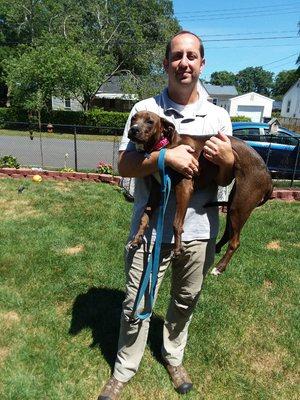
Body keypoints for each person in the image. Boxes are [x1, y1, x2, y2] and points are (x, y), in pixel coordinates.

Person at [98, 31, 234, 400]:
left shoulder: (219, 116)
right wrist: (163, 157)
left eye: (192, 56)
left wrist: (227, 163)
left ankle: (173, 357)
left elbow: (221, 182)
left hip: (200, 230)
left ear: (202, 63)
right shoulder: (145, 109)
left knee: (185, 301)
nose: (184, 62)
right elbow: (125, 165)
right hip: (152, 230)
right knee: (136, 301)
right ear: (166, 63)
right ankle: (124, 368)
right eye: (177, 55)